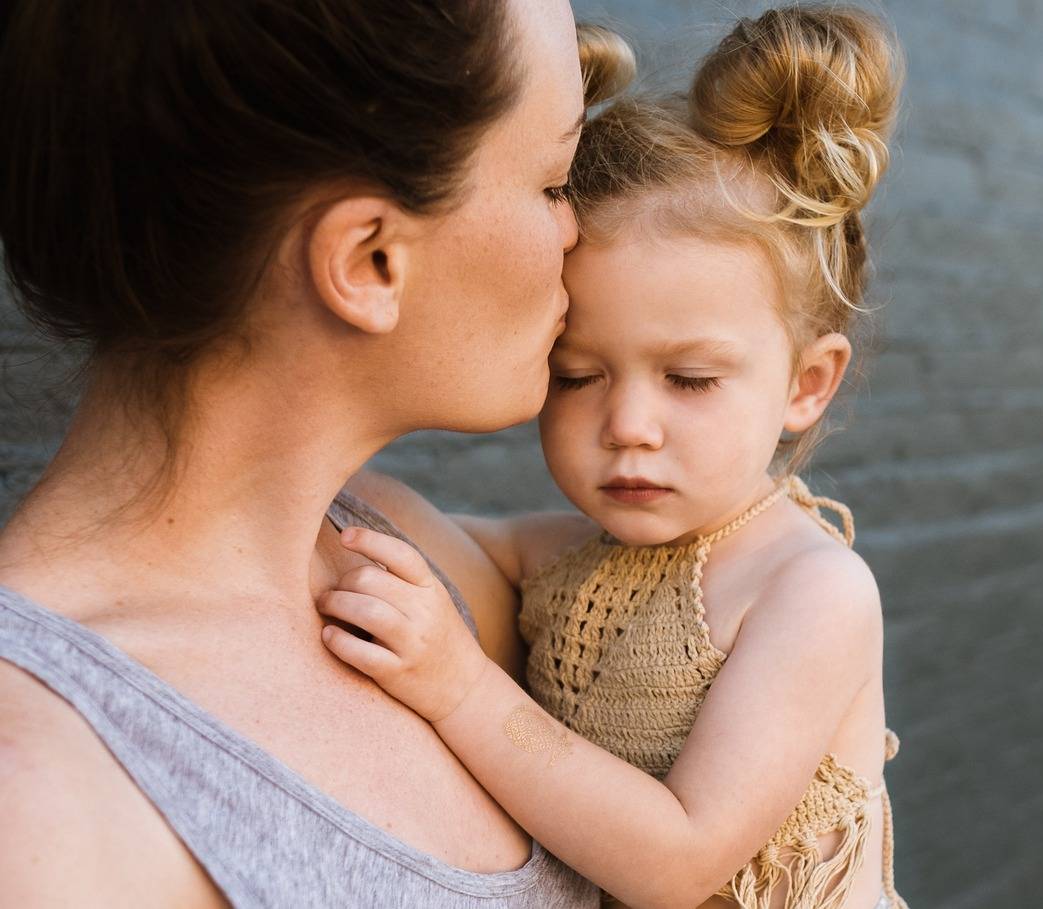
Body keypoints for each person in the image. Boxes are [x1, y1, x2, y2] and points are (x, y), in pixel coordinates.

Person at [0, 0, 602, 905]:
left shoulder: (406, 556)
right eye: (555, 183)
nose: (578, 232)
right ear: (369, 262)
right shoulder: (42, 794)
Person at [315, 7, 910, 908]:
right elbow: (393, 522)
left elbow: (679, 859)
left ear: (806, 383)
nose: (629, 422)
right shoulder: (564, 559)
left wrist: (462, 688)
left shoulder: (808, 590)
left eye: (690, 379)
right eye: (578, 374)